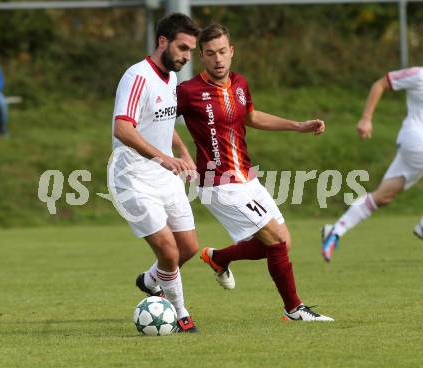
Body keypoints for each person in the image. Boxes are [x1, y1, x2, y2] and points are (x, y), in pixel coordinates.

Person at [176, 24, 334, 321]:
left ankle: (218, 257)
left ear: (232, 51)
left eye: (222, 52)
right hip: (218, 184)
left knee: (281, 242)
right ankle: (294, 309)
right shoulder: (188, 92)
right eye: (210, 54)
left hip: (247, 178)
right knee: (274, 239)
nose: (218, 59)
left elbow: (251, 116)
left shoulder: (239, 83)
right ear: (202, 56)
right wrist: (175, 156)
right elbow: (158, 120)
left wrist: (297, 125)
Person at [107, 13, 200, 332]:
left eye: (190, 50)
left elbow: (162, 120)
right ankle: (180, 313)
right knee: (169, 251)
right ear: (163, 41)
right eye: (183, 48)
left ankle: (150, 281)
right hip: (132, 177)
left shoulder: (171, 78)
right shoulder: (137, 76)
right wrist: (163, 157)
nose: (187, 57)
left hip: (164, 175)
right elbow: (123, 128)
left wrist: (183, 152)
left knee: (188, 248)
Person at [321, 67, 423, 262]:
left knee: (384, 196)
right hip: (416, 141)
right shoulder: (418, 75)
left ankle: (336, 230)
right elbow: (381, 83)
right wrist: (366, 118)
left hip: (412, 147)